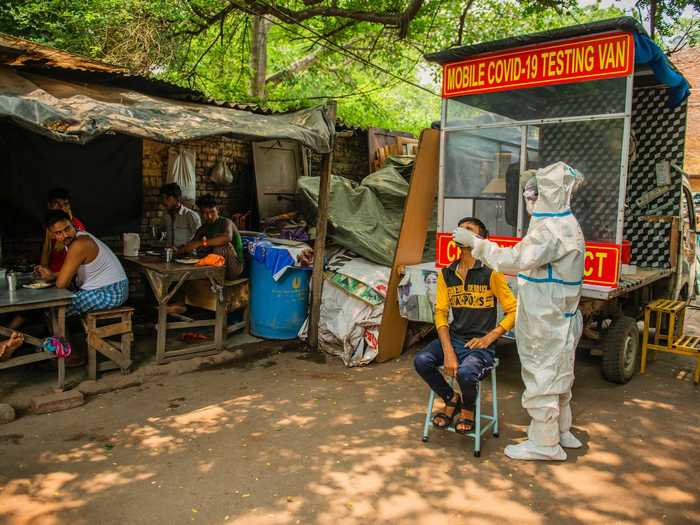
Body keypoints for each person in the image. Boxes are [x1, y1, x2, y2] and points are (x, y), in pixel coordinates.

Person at [453, 162, 585, 461]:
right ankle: (562, 431)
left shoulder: (550, 229)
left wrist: (476, 244)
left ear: (544, 195)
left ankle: (545, 444)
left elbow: (516, 259)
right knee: (560, 375)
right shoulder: (565, 222)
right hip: (561, 316)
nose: (528, 201)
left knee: (541, 376)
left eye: (530, 195)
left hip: (546, 320)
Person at [415, 217, 517, 435]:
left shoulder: (491, 272)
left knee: (466, 373)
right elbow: (441, 313)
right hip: (454, 338)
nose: (461, 231)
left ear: (480, 240)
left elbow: (514, 310)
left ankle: (468, 409)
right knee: (421, 361)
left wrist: (490, 338)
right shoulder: (447, 273)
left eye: (468, 230)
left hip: (480, 346)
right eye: (460, 228)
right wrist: (448, 350)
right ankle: (452, 398)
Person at [36, 210, 129, 317]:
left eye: (67, 229)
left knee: (54, 309)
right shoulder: (73, 239)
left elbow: (61, 284)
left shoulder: (80, 243)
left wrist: (54, 278)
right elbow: (71, 271)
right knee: (53, 304)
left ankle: (58, 334)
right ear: (51, 234)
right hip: (112, 288)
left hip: (110, 292)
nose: (65, 235)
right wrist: (52, 274)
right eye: (58, 233)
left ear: (72, 224)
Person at [178, 194, 244, 280]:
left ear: (218, 209)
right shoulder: (203, 228)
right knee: (197, 252)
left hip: (234, 268)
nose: (209, 216)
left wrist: (201, 243)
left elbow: (227, 237)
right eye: (205, 213)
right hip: (216, 267)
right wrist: (177, 251)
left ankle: (217, 280)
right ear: (201, 213)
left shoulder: (226, 222)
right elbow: (192, 244)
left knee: (222, 246)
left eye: (212, 212)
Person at [40, 188, 86, 273]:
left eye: (66, 204)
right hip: (52, 274)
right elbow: (47, 249)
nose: (62, 208)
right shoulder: (50, 224)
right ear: (49, 206)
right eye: (57, 204)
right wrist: (42, 270)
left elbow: (78, 265)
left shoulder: (75, 226)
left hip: (67, 276)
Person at [160, 183, 201, 249]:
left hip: (185, 256)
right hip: (168, 253)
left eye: (167, 199)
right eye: (163, 198)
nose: (164, 202)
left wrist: (183, 249)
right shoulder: (166, 215)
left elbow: (200, 238)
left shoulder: (190, 215)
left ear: (177, 199)